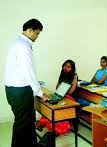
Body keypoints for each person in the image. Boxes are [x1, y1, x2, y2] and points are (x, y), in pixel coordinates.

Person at [4, 18, 49, 147]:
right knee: (22, 123)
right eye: (37, 33)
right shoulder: (23, 46)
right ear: (30, 30)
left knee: (29, 121)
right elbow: (28, 71)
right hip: (20, 92)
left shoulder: (18, 43)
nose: (37, 36)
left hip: (16, 90)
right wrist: (40, 93)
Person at [37, 59, 78, 135]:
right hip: (60, 95)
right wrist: (60, 91)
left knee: (57, 107)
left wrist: (63, 90)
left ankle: (57, 129)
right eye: (65, 66)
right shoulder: (62, 73)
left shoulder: (74, 76)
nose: (66, 68)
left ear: (72, 69)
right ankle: (44, 123)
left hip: (70, 97)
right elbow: (57, 88)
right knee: (50, 104)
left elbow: (71, 92)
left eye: (68, 67)